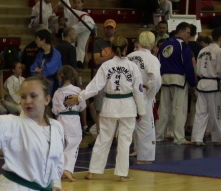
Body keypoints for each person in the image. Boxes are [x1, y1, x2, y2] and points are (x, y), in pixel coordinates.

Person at [67, 35, 145, 181]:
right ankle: (122, 173)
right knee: (124, 141)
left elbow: (95, 86)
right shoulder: (132, 67)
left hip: (110, 105)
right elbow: (138, 91)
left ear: (111, 49)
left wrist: (80, 97)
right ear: (126, 48)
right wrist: (141, 110)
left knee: (103, 139)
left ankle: (92, 171)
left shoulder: (106, 65)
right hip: (127, 106)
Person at [156, 22, 196, 144]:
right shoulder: (183, 45)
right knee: (179, 109)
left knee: (163, 109)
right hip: (178, 78)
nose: (188, 35)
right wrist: (192, 83)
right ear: (181, 31)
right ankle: (179, 137)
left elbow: (158, 62)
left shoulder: (164, 44)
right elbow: (188, 65)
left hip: (164, 78)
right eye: (187, 33)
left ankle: (158, 135)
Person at [127, 30, 162, 163]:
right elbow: (156, 79)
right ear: (153, 44)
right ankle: (144, 158)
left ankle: (123, 157)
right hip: (143, 96)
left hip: (127, 95)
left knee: (127, 127)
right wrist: (150, 91)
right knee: (146, 127)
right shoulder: (151, 58)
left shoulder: (129, 56)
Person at [189, 27, 221, 146]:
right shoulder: (219, 51)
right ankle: (218, 138)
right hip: (214, 84)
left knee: (200, 113)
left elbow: (197, 69)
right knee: (216, 113)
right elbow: (220, 69)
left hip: (202, 84)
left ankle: (197, 138)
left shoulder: (202, 50)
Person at [51, 65, 84, 181]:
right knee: (73, 144)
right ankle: (67, 169)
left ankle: (60, 170)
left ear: (60, 77)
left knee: (62, 146)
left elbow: (55, 110)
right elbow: (82, 106)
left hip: (60, 120)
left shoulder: (57, 92)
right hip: (73, 120)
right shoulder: (78, 91)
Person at [62, 0, 94, 68]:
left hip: (85, 21)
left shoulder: (69, 10)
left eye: (78, 3)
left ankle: (68, 55)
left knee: (66, 34)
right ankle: (79, 63)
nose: (77, 4)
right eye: (75, 3)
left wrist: (57, 6)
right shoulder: (73, 13)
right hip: (91, 24)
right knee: (81, 45)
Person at [30, 29, 62, 94]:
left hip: (53, 85)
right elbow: (33, 67)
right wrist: (38, 70)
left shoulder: (56, 54)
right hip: (41, 84)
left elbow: (50, 70)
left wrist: (40, 70)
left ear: (43, 40)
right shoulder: (40, 53)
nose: (36, 41)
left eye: (37, 39)